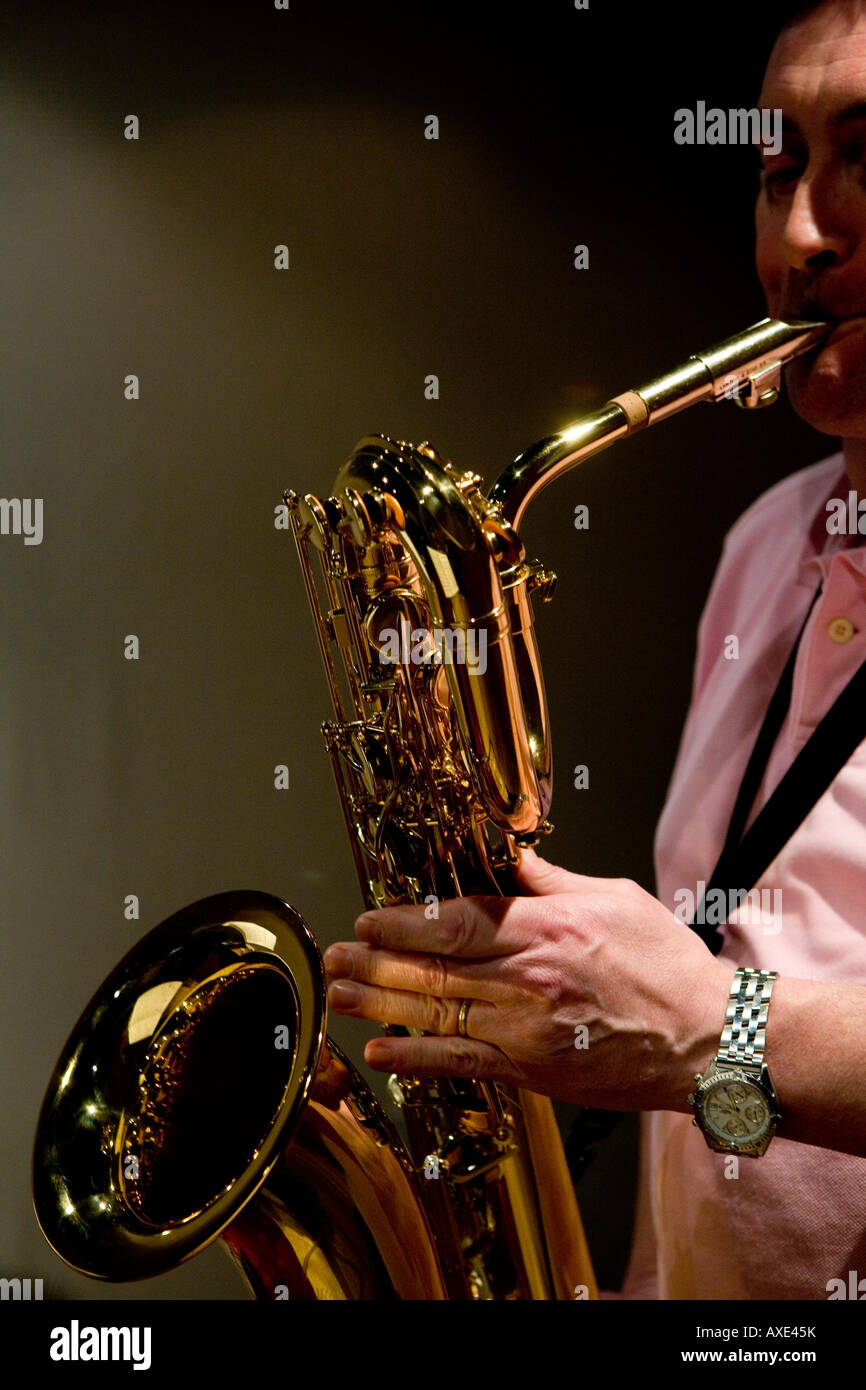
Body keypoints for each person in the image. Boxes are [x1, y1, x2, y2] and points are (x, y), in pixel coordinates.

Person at [324, 0, 866, 1299]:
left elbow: (709, 1019)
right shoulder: (762, 540)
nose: (799, 235)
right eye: (775, 170)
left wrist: (698, 1027)